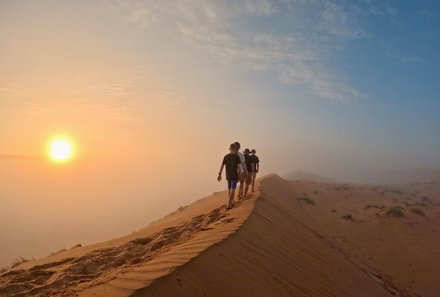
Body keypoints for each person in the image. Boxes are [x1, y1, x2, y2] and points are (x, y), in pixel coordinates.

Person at [218, 143, 244, 209]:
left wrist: (219, 174)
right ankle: (229, 203)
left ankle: (231, 201)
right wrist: (240, 175)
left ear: (230, 148)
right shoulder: (236, 157)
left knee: (229, 189)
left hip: (228, 175)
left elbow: (222, 166)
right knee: (233, 189)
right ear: (235, 149)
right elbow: (239, 167)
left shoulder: (226, 156)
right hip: (234, 175)